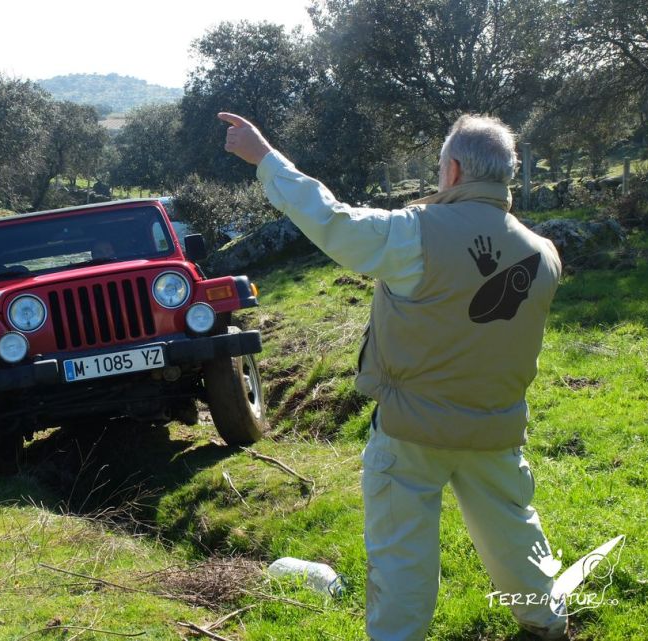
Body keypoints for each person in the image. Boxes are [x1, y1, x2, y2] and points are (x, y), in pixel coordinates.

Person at [219, 112, 565, 641]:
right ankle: (546, 624)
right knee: (514, 532)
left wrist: (265, 158)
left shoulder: (413, 234)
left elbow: (331, 218)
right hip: (497, 426)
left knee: (402, 554)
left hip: (411, 430)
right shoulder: (544, 254)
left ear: (453, 170)